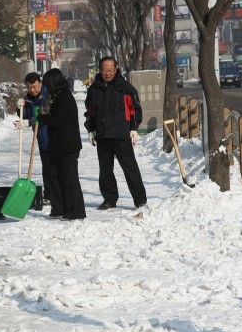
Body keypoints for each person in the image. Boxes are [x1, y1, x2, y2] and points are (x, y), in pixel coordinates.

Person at [84, 56, 147, 211]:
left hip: (121, 135)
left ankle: (140, 200)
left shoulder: (125, 88)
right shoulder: (94, 89)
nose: (107, 73)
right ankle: (109, 199)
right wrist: (91, 129)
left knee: (130, 169)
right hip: (103, 136)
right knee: (105, 171)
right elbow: (90, 112)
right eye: (104, 70)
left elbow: (135, 110)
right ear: (100, 70)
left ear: (116, 69)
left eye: (110, 70)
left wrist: (133, 128)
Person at [38, 68, 85, 220]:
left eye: (47, 84)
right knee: (54, 176)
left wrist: (44, 116)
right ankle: (59, 208)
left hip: (68, 145)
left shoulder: (64, 97)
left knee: (69, 178)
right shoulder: (53, 97)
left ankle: (75, 211)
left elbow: (57, 120)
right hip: (56, 144)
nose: (45, 88)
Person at [16, 72, 52, 206]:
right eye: (29, 87)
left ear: (40, 84)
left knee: (55, 168)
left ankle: (58, 193)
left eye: (34, 87)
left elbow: (45, 113)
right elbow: (25, 115)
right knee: (46, 167)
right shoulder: (28, 98)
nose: (32, 90)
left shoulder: (49, 96)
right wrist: (19, 108)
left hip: (53, 137)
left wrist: (29, 122)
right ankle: (48, 194)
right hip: (42, 138)